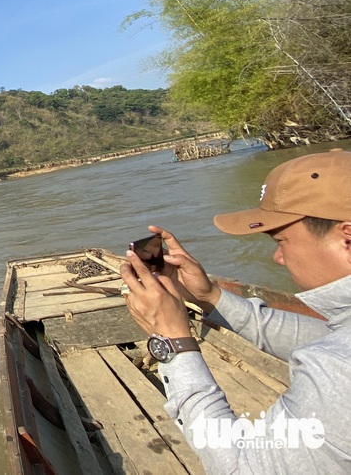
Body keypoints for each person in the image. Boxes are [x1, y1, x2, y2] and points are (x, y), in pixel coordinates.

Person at [120, 148, 351, 473]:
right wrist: (209, 296)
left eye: (281, 241)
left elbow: (241, 466)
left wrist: (174, 342)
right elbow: (321, 336)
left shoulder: (337, 371)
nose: (278, 259)